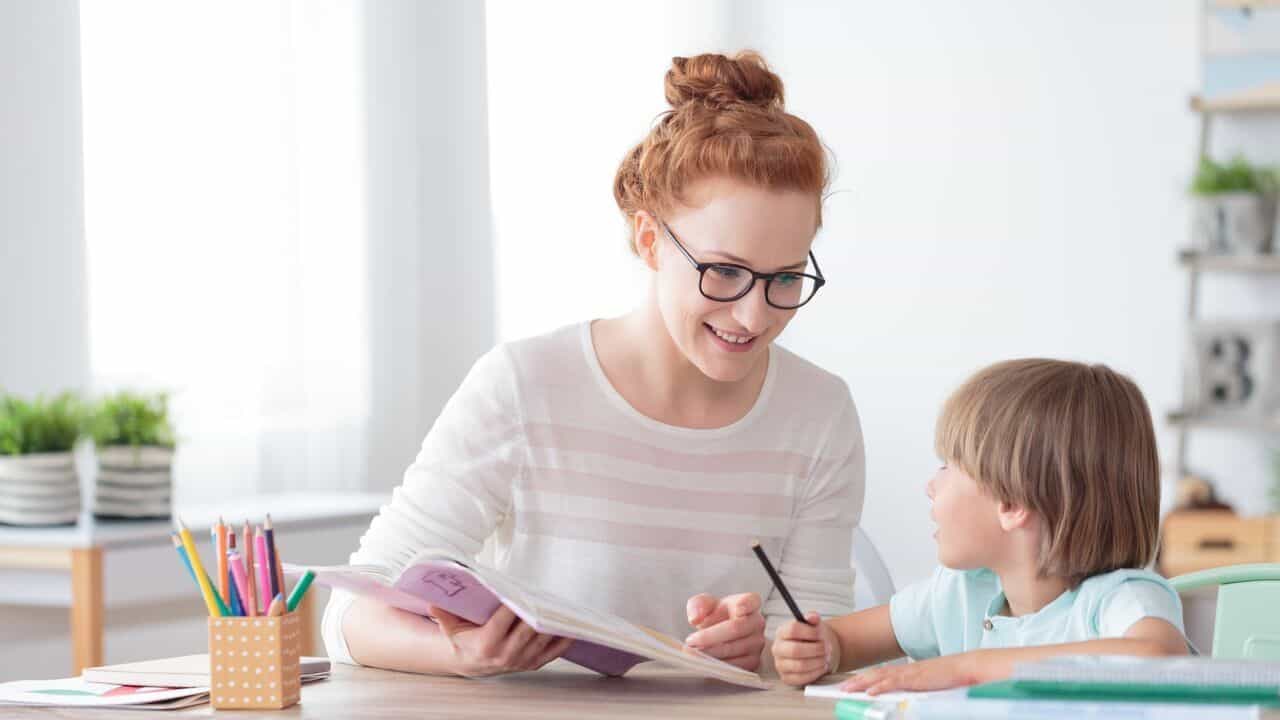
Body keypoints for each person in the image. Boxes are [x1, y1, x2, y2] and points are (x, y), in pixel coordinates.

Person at [322, 50, 867, 678]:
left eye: (786, 278)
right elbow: (350, 617)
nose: (753, 315)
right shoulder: (525, 387)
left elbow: (816, 641)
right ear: (649, 240)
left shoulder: (818, 413)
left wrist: (763, 653)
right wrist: (463, 655)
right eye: (724, 271)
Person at [772, 359, 1188, 692]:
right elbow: (843, 641)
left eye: (947, 467)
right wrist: (820, 648)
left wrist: (966, 668)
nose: (931, 486)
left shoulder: (1122, 599)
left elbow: (1159, 660)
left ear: (1012, 503)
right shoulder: (961, 592)